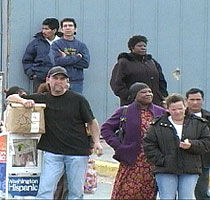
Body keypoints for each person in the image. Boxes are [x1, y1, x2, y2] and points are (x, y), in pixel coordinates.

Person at [7, 66, 103, 199]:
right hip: (53, 153)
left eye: (62, 79)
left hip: (77, 153)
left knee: (75, 193)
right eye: (55, 78)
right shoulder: (42, 98)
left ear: (67, 82)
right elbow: (11, 97)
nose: (59, 81)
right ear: (48, 80)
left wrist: (97, 142)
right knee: (45, 191)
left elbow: (92, 122)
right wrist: (24, 101)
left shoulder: (78, 99)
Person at [101, 82, 165, 200]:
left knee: (148, 193)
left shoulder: (160, 112)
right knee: (126, 192)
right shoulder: (125, 111)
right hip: (131, 161)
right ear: (135, 95)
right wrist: (119, 147)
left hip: (152, 162)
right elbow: (106, 129)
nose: (148, 94)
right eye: (143, 92)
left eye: (150, 92)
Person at [143, 93, 210, 200]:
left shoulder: (199, 123)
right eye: (173, 109)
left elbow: (206, 143)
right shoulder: (157, 125)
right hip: (165, 168)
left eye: (180, 108)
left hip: (190, 168)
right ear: (167, 109)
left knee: (186, 197)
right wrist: (162, 160)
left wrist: (192, 145)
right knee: (167, 197)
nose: (177, 112)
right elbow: (149, 145)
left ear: (185, 106)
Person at [110, 35, 168, 106]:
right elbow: (117, 83)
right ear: (132, 48)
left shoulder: (152, 62)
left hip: (155, 104)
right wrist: (129, 96)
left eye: (144, 46)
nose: (143, 48)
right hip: (132, 104)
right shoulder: (124, 62)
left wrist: (162, 95)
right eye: (139, 46)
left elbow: (161, 81)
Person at [52, 18, 90, 94]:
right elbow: (56, 62)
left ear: (75, 29)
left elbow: (85, 63)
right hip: (60, 81)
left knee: (76, 104)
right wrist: (77, 57)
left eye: (70, 25)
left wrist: (66, 58)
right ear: (61, 30)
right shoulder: (56, 44)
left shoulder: (81, 46)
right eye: (65, 26)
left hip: (77, 82)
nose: (68, 28)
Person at [22, 18, 60, 92]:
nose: (43, 31)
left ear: (54, 30)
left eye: (46, 29)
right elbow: (27, 60)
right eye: (43, 28)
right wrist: (32, 74)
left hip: (58, 78)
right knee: (39, 100)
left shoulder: (61, 42)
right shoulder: (36, 43)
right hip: (39, 78)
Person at [186, 88, 210, 200]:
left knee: (201, 192)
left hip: (204, 160)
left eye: (198, 99)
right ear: (186, 100)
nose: (195, 102)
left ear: (203, 100)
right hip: (184, 160)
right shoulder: (179, 117)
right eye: (192, 99)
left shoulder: (208, 118)